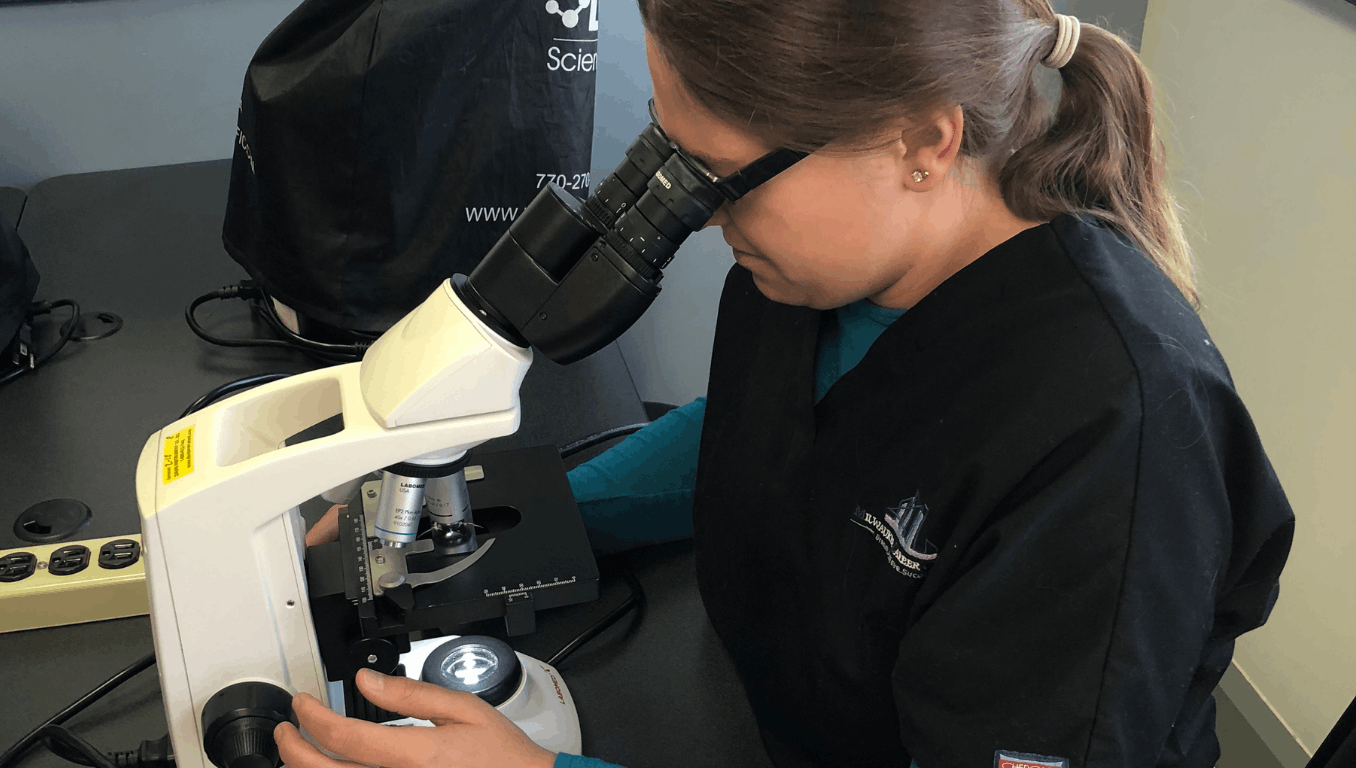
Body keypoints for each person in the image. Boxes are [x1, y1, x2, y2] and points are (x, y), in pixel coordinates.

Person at [274, 1, 1296, 767]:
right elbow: (779, 427)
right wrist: (503, 518)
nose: (703, 216)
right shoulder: (818, 270)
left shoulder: (1118, 437)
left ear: (920, 142)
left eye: (715, 174)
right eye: (668, 154)